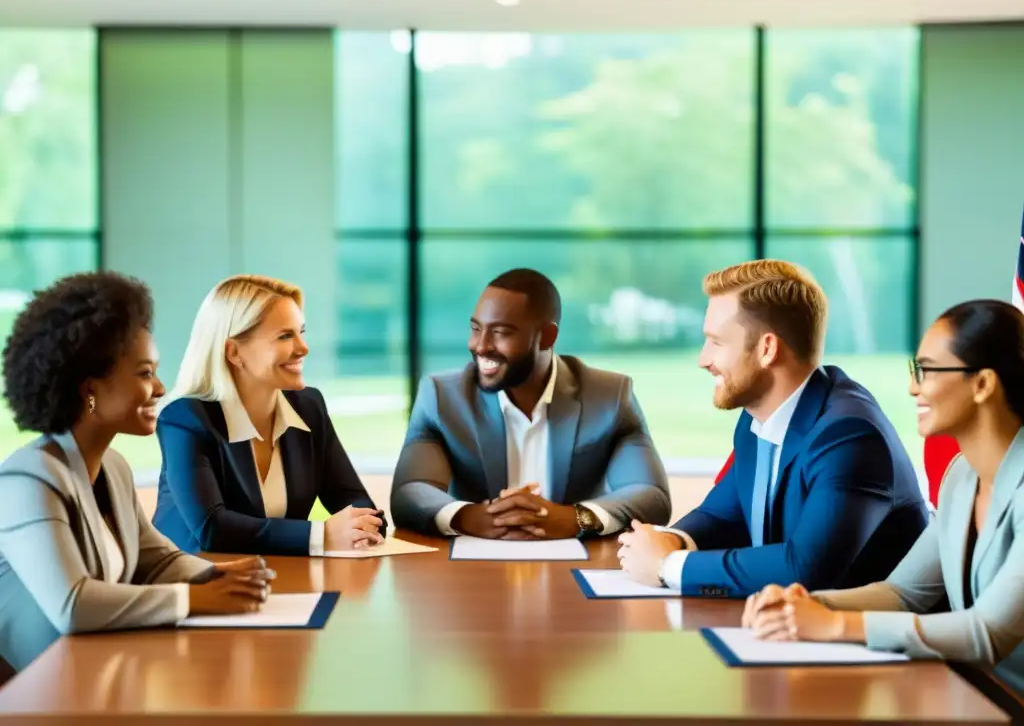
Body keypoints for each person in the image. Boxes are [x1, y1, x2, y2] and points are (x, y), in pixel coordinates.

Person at [744, 299, 1024, 696]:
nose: (913, 386)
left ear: (982, 384)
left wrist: (835, 626)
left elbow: (987, 632)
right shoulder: (961, 477)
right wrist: (804, 604)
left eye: (925, 370)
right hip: (977, 699)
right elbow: (903, 593)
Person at [0, 272, 274, 672]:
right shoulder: (26, 481)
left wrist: (217, 575)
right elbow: (73, 605)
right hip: (35, 691)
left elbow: (156, 561)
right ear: (89, 388)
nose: (160, 388)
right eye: (145, 373)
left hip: (93, 669)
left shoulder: (112, 467)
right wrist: (192, 599)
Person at [618, 259, 929, 597]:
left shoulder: (849, 435)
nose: (703, 359)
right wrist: (670, 541)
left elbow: (805, 568)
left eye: (716, 342)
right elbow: (722, 516)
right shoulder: (758, 416)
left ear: (767, 349)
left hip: (870, 639)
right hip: (789, 630)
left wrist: (667, 567)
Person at [390, 268, 671, 539]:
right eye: (476, 329)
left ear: (547, 337)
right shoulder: (442, 397)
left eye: (500, 332)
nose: (480, 346)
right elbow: (410, 491)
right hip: (472, 569)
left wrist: (574, 518)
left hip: (573, 572)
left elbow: (650, 494)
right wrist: (469, 516)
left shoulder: (609, 396)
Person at [153, 275, 384, 556]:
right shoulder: (185, 419)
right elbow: (212, 529)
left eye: (302, 332)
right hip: (195, 582)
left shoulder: (308, 406)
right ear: (234, 352)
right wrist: (322, 534)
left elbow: (353, 500)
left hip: (280, 577)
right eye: (285, 336)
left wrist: (362, 524)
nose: (303, 348)